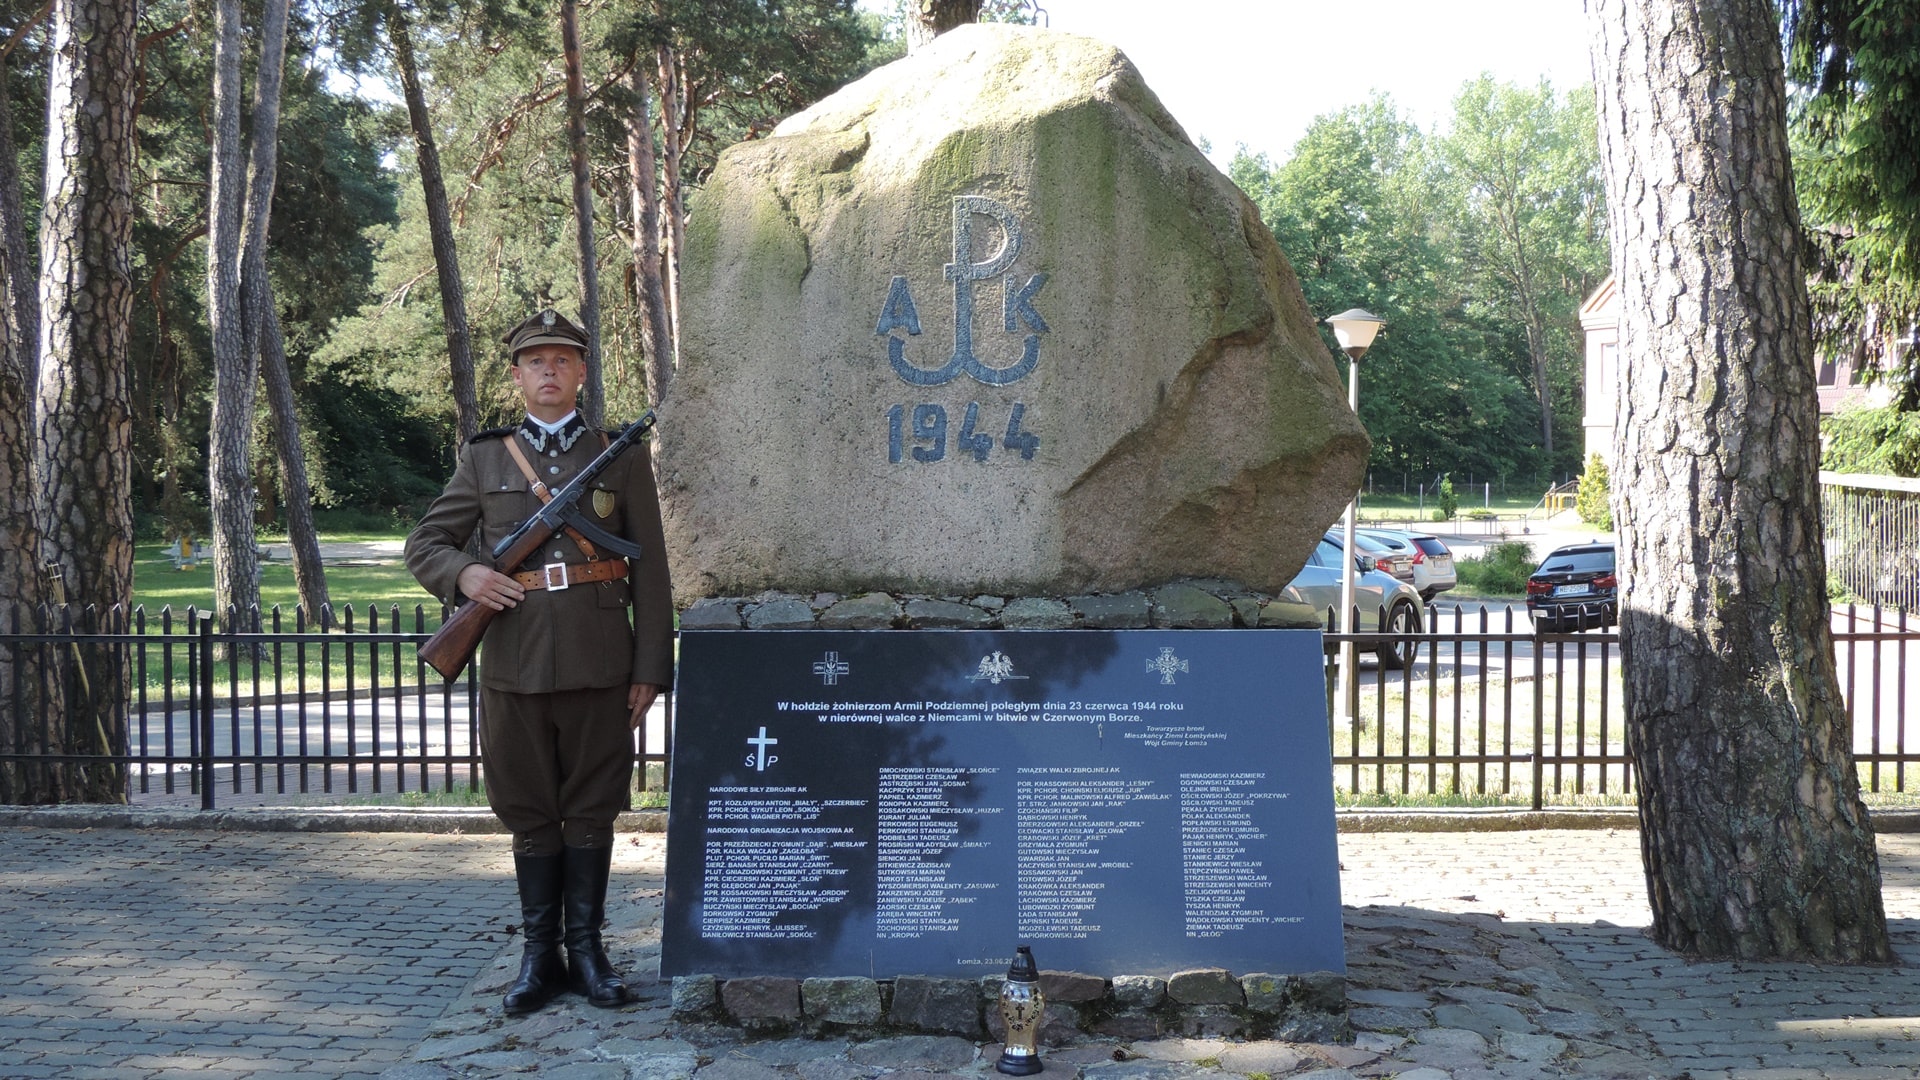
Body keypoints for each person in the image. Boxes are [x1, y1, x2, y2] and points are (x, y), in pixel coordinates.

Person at [405, 309, 673, 1015]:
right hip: (513, 662)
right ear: (518, 375)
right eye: (536, 361)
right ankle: (538, 956)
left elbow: (652, 571)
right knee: (529, 811)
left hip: (599, 660)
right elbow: (427, 543)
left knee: (591, 810)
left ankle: (587, 952)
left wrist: (650, 665)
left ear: (582, 372)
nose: (549, 371)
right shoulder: (486, 457)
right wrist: (465, 578)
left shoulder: (619, 453)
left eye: (562, 359)